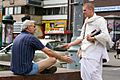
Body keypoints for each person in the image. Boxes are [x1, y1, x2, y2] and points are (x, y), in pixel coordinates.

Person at [64, 3, 113, 80]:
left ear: (91, 10)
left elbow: (105, 35)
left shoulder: (100, 20)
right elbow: (81, 37)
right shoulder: (86, 21)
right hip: (87, 51)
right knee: (91, 75)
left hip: (94, 52)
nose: (83, 12)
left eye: (84, 10)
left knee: (91, 75)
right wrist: (70, 44)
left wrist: (93, 38)